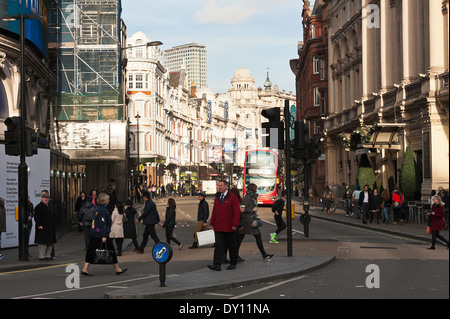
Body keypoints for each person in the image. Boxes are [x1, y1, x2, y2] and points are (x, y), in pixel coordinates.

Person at [82, 193, 127, 276]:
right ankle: (117, 269)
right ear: (105, 201)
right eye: (108, 199)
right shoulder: (103, 210)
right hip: (100, 234)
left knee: (91, 250)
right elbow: (102, 223)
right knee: (112, 250)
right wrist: (103, 235)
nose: (109, 200)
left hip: (94, 233)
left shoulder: (97, 208)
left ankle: (85, 269)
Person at [207, 180, 241, 271]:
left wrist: (235, 224)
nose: (219, 187)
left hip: (230, 227)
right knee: (218, 245)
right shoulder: (218, 197)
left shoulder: (233, 197)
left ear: (226, 186)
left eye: (221, 186)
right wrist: (212, 223)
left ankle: (233, 263)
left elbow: (236, 212)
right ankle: (217, 264)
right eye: (219, 186)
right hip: (219, 226)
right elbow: (215, 211)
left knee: (232, 245)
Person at [237, 183, 274, 261]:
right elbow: (242, 209)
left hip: (249, 219)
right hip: (248, 221)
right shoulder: (247, 197)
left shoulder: (252, 196)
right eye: (256, 188)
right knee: (256, 236)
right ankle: (264, 255)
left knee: (241, 237)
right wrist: (252, 210)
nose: (257, 189)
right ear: (253, 188)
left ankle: (235, 255)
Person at [34, 190, 57, 261]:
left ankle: (48, 255)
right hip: (42, 227)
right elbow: (36, 217)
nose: (46, 199)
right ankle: (42, 256)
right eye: (44, 198)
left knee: (50, 242)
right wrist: (39, 225)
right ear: (41, 198)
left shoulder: (50, 205)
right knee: (43, 243)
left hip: (50, 227)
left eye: (47, 198)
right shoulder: (38, 207)